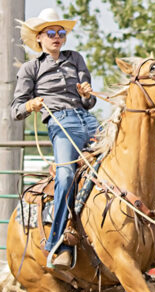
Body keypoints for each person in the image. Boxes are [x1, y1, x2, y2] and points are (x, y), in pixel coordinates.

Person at [11, 8, 99, 269]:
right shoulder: (31, 68)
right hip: (61, 122)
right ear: (39, 37)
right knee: (65, 176)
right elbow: (15, 109)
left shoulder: (76, 59)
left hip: (87, 120)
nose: (57, 36)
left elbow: (91, 102)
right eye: (51, 32)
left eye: (61, 32)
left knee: (123, 159)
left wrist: (86, 94)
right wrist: (31, 105)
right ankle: (58, 242)